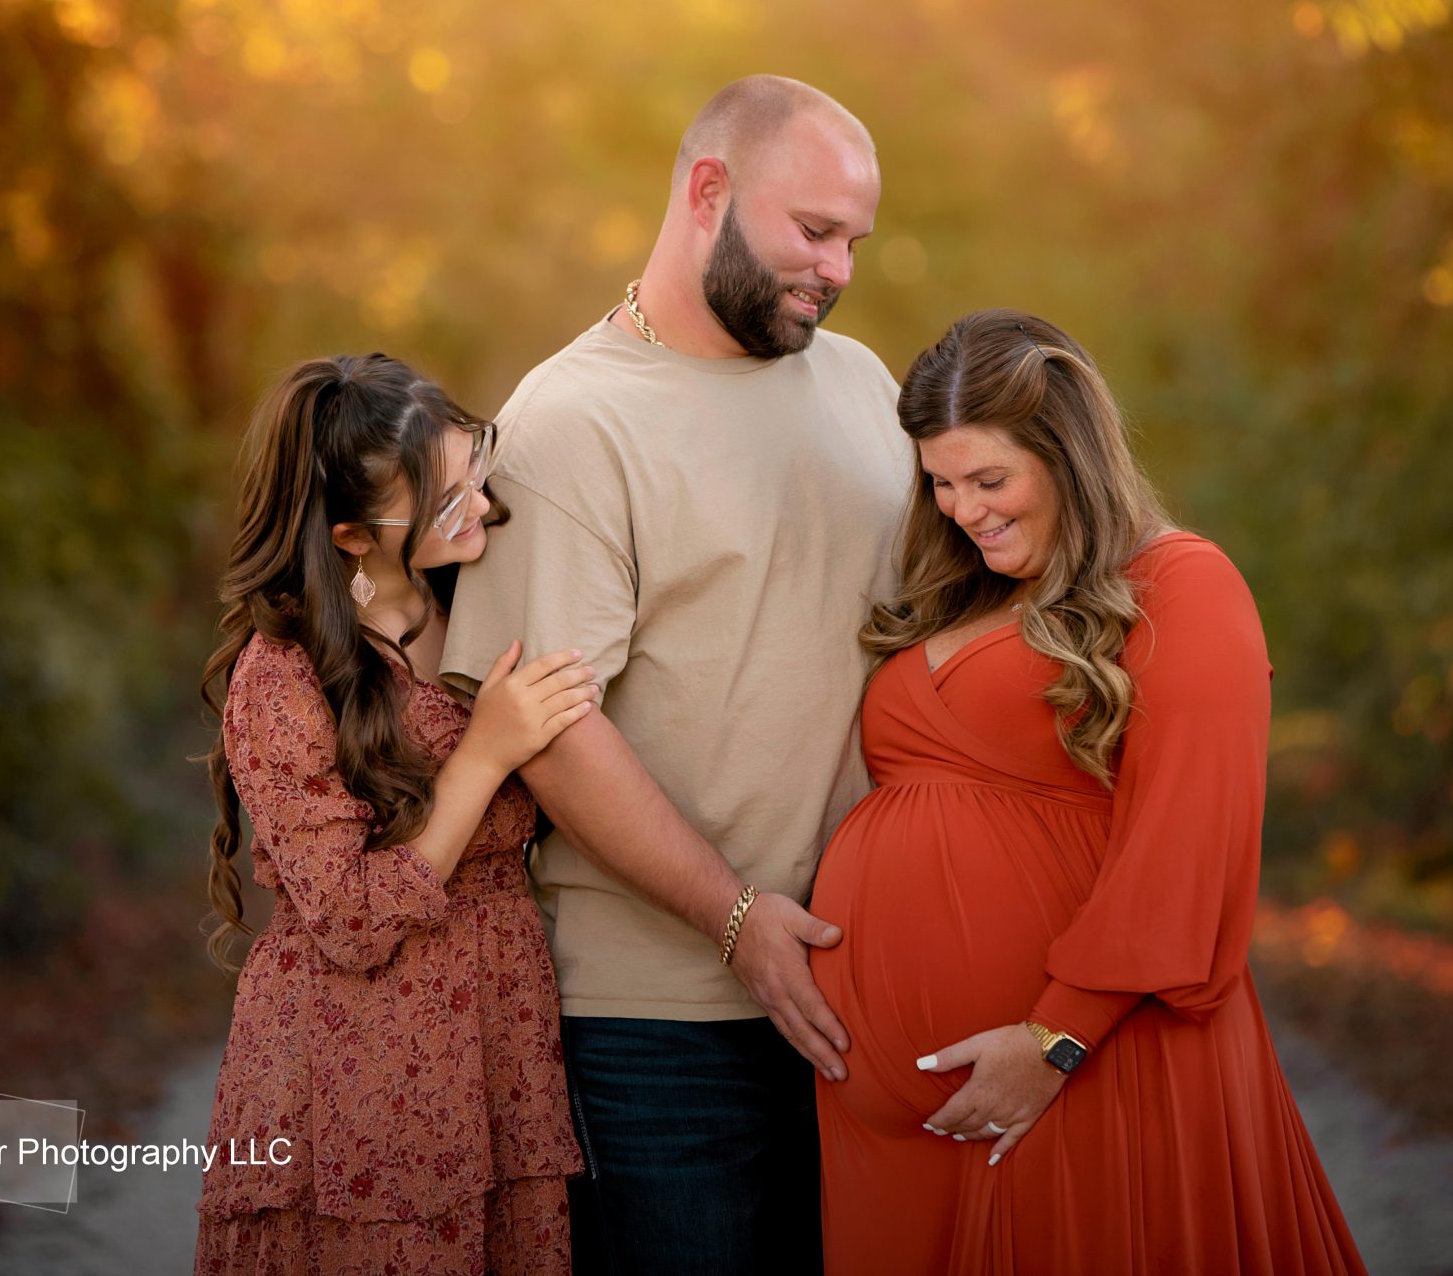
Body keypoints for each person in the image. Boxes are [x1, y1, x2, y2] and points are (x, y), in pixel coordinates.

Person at [439, 74, 914, 1276]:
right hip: (659, 1027)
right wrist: (738, 919)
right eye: (813, 231)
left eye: (853, 240)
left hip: (869, 991)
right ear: (708, 191)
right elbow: (550, 733)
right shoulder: (568, 424)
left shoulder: (865, 385)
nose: (839, 268)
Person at [809, 309, 1369, 1274]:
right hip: (895, 1127)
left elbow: (1186, 845)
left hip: (1087, 1073)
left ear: (1069, 454)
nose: (963, 509)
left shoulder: (1182, 584)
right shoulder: (969, 593)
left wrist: (1055, 1039)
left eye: (991, 479)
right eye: (941, 483)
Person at [195, 353, 602, 1276]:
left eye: (474, 475)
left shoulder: (481, 598)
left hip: (500, 1037)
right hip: (359, 1063)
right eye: (442, 500)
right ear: (348, 535)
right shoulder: (286, 677)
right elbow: (351, 916)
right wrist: (486, 752)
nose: (480, 510)